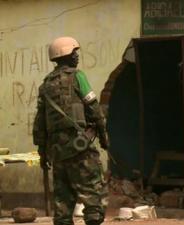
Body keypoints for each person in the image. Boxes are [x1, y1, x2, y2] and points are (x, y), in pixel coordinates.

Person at [33, 36, 109, 225]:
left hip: (57, 153)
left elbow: (39, 124)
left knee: (63, 205)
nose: (77, 56)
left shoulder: (45, 86)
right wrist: (103, 136)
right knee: (93, 197)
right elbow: (93, 107)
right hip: (79, 148)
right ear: (65, 54)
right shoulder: (77, 76)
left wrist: (43, 154)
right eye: (74, 52)